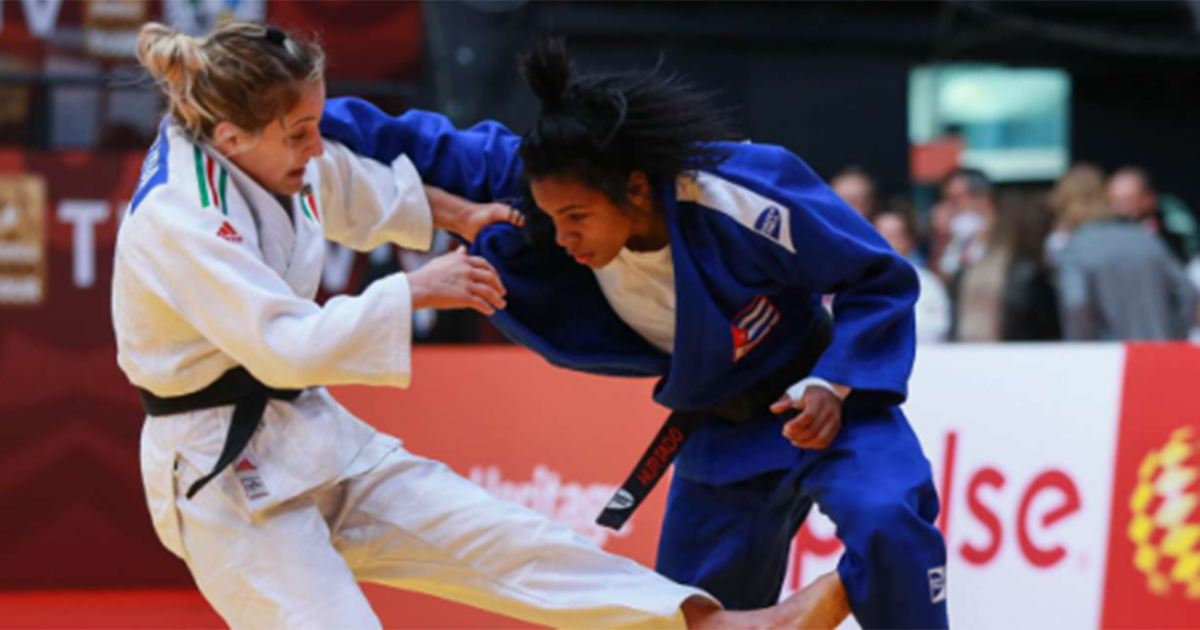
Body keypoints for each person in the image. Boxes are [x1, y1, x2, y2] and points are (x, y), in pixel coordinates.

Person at [113, 22, 845, 630]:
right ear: (233, 137)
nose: (318, 143)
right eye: (301, 131)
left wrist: (459, 214)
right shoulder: (181, 220)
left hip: (308, 432)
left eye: (316, 121)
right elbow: (285, 346)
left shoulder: (265, 157)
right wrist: (416, 290)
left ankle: (716, 625)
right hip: (222, 473)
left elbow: (343, 185)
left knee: (502, 540)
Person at [322, 39, 947, 629]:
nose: (562, 237)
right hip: (720, 423)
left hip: (824, 397)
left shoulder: (742, 191)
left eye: (576, 218)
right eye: (551, 217)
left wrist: (834, 383)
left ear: (637, 189)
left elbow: (877, 275)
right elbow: (412, 139)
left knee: (890, 518)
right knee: (694, 616)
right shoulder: (533, 179)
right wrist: (284, 114)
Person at [1058, 168, 1196, 340]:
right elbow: (1187, 293)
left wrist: (1085, 351)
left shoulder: (1078, 246)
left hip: (1109, 359)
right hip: (1158, 353)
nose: (1124, 207)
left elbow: (1076, 304)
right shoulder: (1148, 239)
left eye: (1129, 199)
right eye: (1119, 200)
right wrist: (1173, 337)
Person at [872, 206, 951, 343]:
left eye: (894, 236)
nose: (886, 242)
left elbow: (939, 327)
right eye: (879, 235)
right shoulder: (852, 281)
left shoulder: (928, 282)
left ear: (909, 241)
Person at [1107, 166, 1199, 264]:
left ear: (1149, 197)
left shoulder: (1170, 215)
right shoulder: (1105, 228)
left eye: (1128, 199)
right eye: (1114, 200)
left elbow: (1189, 247)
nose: (1121, 208)